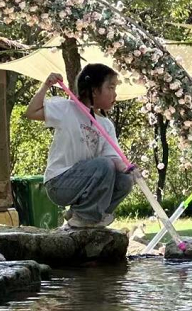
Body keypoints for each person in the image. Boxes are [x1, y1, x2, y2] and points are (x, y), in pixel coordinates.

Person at [25, 64, 134, 228]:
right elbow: (31, 112)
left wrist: (129, 169)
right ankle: (85, 216)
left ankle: (87, 215)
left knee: (125, 180)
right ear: (94, 90)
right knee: (104, 164)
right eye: (111, 87)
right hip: (59, 183)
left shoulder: (106, 125)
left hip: (86, 184)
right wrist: (46, 85)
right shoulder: (67, 108)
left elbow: (113, 157)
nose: (115, 94)